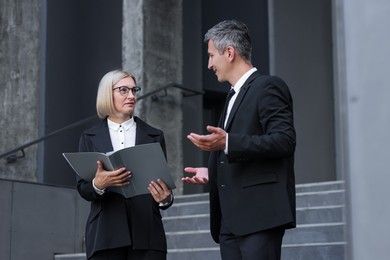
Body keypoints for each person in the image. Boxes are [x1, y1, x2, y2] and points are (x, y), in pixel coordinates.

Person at [182, 20, 296, 260]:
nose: (209, 64)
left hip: (259, 216)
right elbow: (239, 148)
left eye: (212, 56)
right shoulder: (232, 96)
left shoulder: (267, 87)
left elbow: (284, 141)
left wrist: (227, 143)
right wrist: (213, 171)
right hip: (230, 222)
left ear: (230, 53)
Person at [77, 69, 173, 260]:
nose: (131, 96)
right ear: (107, 94)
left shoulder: (154, 136)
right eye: (123, 90)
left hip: (147, 234)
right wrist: (99, 184)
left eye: (134, 90)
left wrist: (165, 199)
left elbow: (164, 187)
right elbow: (83, 188)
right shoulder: (89, 137)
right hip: (105, 235)